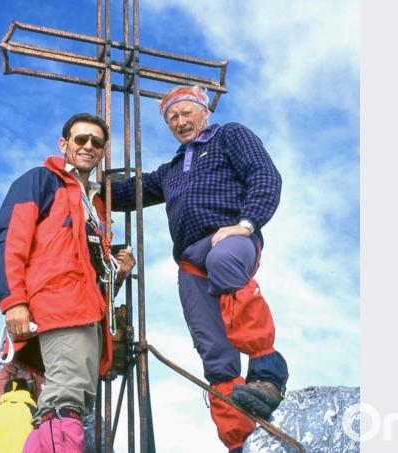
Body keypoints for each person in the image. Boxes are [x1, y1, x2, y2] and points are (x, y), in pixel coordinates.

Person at [109, 85, 289, 453]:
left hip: (229, 239)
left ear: (204, 112)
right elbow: (128, 194)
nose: (180, 121)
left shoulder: (228, 136)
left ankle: (267, 374)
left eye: (186, 112)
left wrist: (248, 223)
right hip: (192, 259)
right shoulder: (172, 169)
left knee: (224, 261)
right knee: (213, 350)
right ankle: (238, 442)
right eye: (172, 117)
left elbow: (265, 175)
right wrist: (93, 183)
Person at [0, 113, 134, 452]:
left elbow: (92, 276)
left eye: (96, 143)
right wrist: (13, 301)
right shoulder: (41, 181)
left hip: (87, 316)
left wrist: (118, 272)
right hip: (57, 308)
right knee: (63, 403)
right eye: (81, 139)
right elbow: (8, 239)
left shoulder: (94, 204)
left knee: (70, 404)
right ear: (63, 144)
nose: (88, 146)